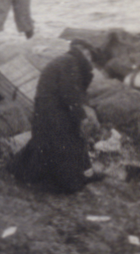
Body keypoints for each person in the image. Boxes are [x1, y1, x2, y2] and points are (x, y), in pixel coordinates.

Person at [9, 40, 103, 193]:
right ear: (83, 53)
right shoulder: (71, 63)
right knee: (70, 142)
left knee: (42, 141)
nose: (89, 59)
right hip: (54, 109)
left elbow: (71, 92)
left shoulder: (66, 60)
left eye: (90, 56)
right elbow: (69, 92)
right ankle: (72, 182)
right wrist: (81, 115)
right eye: (88, 55)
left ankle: (18, 171)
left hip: (47, 108)